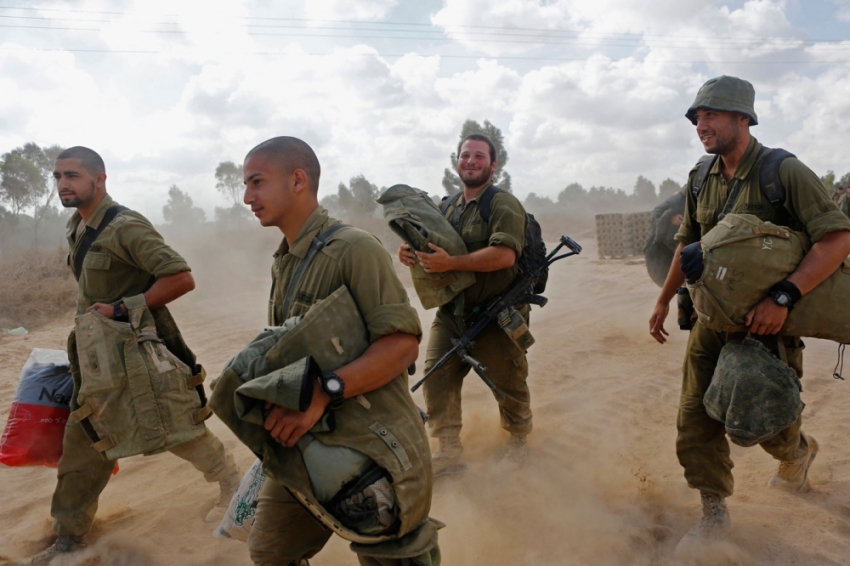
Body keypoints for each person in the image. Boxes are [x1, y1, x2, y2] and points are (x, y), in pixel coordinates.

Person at [648, 76, 850, 547]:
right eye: (698, 117)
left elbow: (837, 237)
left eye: (712, 114)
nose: (702, 124)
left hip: (767, 325)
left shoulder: (783, 171)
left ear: (744, 117)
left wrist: (784, 296)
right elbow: (687, 243)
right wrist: (662, 299)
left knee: (765, 422)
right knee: (694, 420)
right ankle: (713, 512)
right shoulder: (700, 176)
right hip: (710, 321)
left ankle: (797, 452)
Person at [27, 147, 241, 564]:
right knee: (86, 440)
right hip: (98, 361)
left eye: (72, 175)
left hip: (140, 356)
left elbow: (181, 277)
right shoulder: (77, 229)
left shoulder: (124, 226)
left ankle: (234, 485)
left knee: (177, 427)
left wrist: (121, 308)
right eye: (57, 177)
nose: (62, 184)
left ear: (99, 179)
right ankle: (70, 536)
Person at [240, 136, 441, 566]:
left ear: (298, 180)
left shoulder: (353, 249)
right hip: (304, 440)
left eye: (257, 182)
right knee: (270, 553)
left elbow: (403, 344)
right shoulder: (287, 259)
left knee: (392, 550)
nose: (246, 197)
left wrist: (323, 392)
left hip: (368, 444)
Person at [398, 134, 531, 476]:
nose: (470, 161)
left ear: (493, 165)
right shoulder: (446, 208)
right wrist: (410, 254)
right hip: (452, 311)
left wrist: (452, 263)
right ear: (457, 161)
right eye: (465, 155)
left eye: (479, 156)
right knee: (436, 377)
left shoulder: (502, 205)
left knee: (508, 382)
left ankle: (518, 441)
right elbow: (431, 249)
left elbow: (505, 255)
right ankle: (449, 448)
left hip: (495, 312)